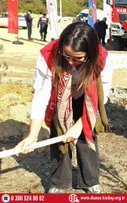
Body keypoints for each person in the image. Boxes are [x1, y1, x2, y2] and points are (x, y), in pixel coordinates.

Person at [15, 22, 113, 194]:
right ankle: (60, 182)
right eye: (66, 56)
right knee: (59, 133)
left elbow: (100, 98)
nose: (70, 62)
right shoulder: (48, 55)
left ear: (90, 54)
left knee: (86, 135)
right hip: (59, 97)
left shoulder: (102, 58)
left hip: (87, 99)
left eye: (77, 58)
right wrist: (33, 135)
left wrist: (79, 126)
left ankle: (89, 180)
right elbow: (41, 94)